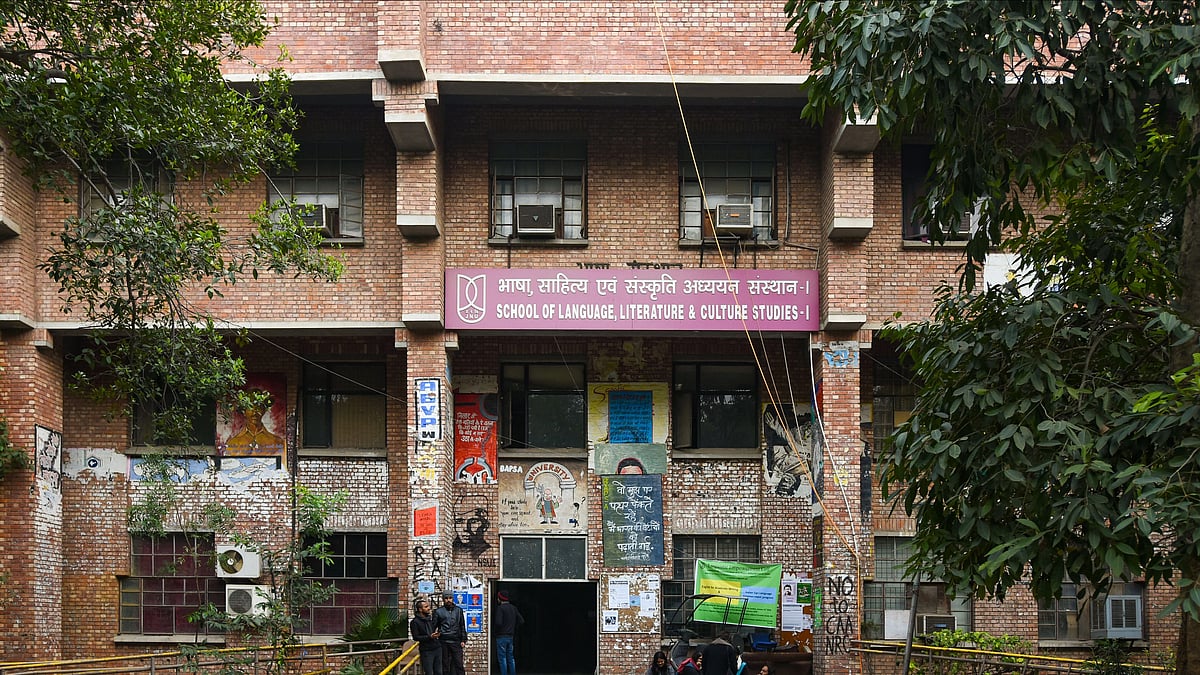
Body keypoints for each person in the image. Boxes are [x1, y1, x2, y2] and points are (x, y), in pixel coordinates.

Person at [433, 591, 467, 675]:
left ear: (453, 599)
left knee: (459, 664)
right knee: (445, 665)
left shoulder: (458, 610)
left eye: (450, 598)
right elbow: (433, 626)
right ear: (443, 599)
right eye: (446, 598)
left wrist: (463, 639)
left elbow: (462, 625)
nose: (448, 600)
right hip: (443, 641)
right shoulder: (438, 611)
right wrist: (434, 636)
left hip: (456, 640)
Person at [492, 590, 524, 675]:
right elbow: (521, 621)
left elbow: (498, 623)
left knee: (502, 659)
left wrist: (496, 632)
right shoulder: (513, 608)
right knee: (511, 658)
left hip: (501, 636)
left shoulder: (500, 608)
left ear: (500, 598)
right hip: (511, 637)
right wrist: (514, 627)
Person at [409, 598, 442, 675]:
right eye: (426, 607)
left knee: (439, 672)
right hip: (426, 650)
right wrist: (429, 637)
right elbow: (416, 637)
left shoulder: (429, 619)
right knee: (429, 672)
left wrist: (436, 634)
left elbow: (433, 630)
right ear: (420, 609)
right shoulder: (415, 622)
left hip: (437, 648)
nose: (428, 608)